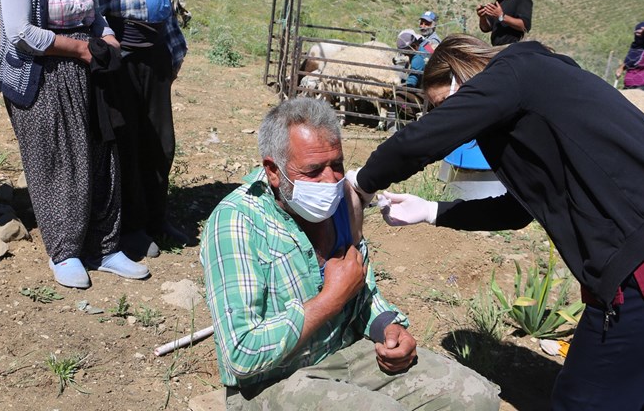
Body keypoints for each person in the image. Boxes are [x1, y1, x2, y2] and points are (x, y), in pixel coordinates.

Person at [348, 34, 644, 410]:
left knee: (583, 401)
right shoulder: (538, 101)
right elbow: (517, 210)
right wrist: (431, 211)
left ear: (459, 78)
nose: (446, 115)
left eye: (442, 103)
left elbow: (423, 139)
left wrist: (363, 183)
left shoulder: (517, 72)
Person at [200, 97, 500, 410]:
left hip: (346, 356)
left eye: (337, 165)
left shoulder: (340, 202)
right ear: (274, 171)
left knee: (474, 397)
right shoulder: (237, 223)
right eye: (314, 170)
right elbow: (241, 355)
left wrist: (388, 327)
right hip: (273, 382)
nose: (330, 180)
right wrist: (330, 300)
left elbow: (363, 290)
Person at [0, 0, 148, 288]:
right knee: (60, 161)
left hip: (87, 72)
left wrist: (106, 36)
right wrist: (80, 48)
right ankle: (65, 251)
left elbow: (92, 13)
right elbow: (20, 32)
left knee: (101, 153)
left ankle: (106, 246)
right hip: (44, 75)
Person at [76, 0, 188, 259]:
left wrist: (170, 45)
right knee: (126, 139)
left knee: (161, 141)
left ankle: (158, 217)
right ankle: (129, 227)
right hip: (119, 48)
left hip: (155, 48)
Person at [615, 21, 644, 97]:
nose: (639, 36)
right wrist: (621, 68)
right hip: (628, 87)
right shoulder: (634, 47)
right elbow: (629, 61)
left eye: (642, 34)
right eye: (637, 33)